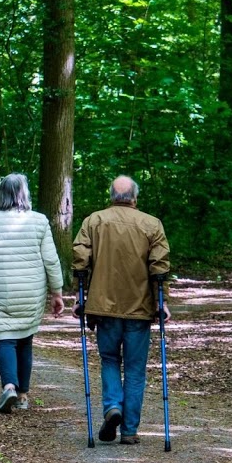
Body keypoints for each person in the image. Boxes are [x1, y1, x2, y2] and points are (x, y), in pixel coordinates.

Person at [72, 175, 171, 445]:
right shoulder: (152, 224)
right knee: (136, 369)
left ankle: (112, 406)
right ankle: (129, 430)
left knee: (110, 360)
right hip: (139, 308)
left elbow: (80, 260)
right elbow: (159, 268)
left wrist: (80, 297)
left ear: (112, 196)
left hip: (103, 307)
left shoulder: (93, 221)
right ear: (135, 197)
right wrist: (161, 302)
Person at [0, 173, 65, 414]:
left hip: (1, 289)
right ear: (25, 194)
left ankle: (9, 387)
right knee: (25, 340)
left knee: (5, 339)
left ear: (1, 194)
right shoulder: (39, 220)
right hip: (32, 290)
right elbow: (51, 260)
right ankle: (23, 395)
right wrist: (57, 292)